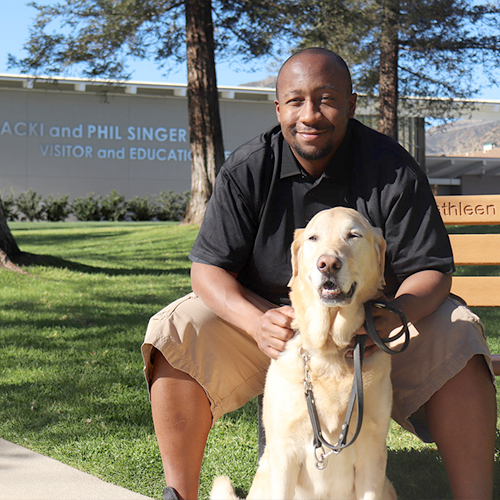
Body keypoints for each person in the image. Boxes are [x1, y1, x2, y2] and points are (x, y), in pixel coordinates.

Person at [142, 48, 497, 500]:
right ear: (278, 109)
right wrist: (256, 322)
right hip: (274, 327)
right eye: (295, 101)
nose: (310, 114)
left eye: (326, 99)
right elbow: (207, 269)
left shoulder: (392, 168)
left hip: (372, 329)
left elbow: (430, 269)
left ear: (350, 104)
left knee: (458, 332)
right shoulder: (249, 168)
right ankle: (180, 494)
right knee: (177, 327)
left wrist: (395, 313)